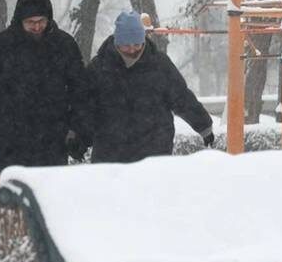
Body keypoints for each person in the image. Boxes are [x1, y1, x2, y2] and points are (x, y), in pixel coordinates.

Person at [0, 0, 90, 189]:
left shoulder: (64, 46)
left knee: (51, 207)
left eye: (42, 21)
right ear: (20, 21)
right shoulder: (0, 46)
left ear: (49, 18)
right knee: (8, 205)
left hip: (53, 143)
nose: (37, 27)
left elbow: (81, 93)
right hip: (9, 144)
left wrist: (78, 131)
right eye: (30, 22)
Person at [87, 10, 213, 163]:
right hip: (110, 153)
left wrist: (204, 126)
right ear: (117, 42)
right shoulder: (99, 68)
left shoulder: (159, 65)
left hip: (154, 150)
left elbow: (181, 97)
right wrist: (77, 136)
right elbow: (84, 105)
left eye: (137, 44)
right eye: (126, 45)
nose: (132, 49)